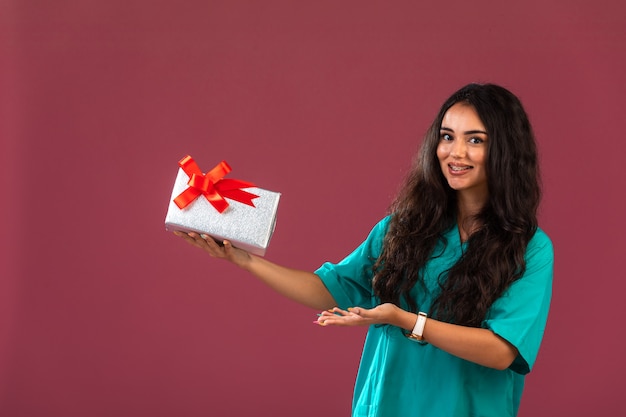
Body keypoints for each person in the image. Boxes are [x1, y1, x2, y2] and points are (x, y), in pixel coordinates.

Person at [174, 83, 553, 417]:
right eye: (446, 136)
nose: (455, 153)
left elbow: (502, 350)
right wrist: (242, 259)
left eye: (475, 140)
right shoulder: (403, 228)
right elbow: (331, 288)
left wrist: (406, 320)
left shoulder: (530, 249)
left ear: (505, 150)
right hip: (384, 406)